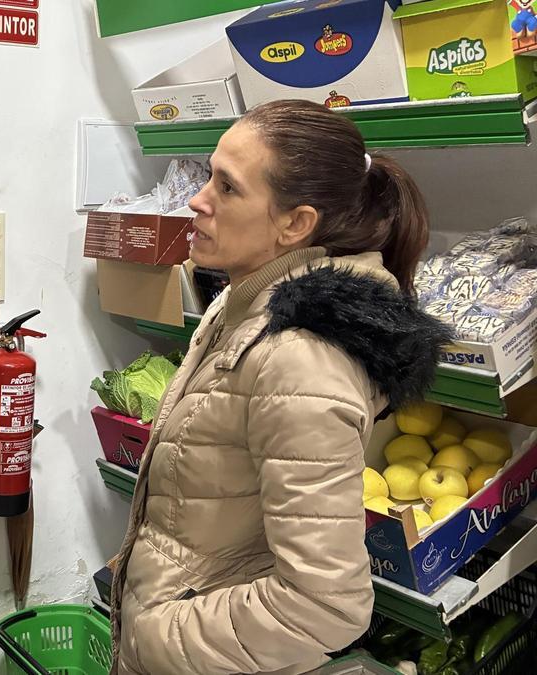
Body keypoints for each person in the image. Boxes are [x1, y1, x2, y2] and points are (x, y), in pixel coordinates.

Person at [109, 100, 453, 675]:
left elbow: (325, 605)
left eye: (227, 187)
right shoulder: (242, 303)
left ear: (295, 224)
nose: (198, 200)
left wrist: (155, 636)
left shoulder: (301, 359)